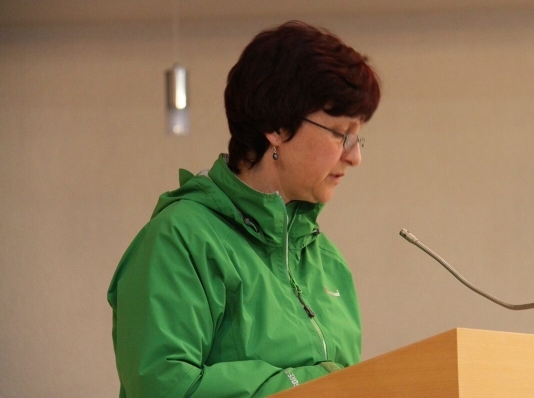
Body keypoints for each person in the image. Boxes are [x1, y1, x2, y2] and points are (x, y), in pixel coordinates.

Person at [107, 20, 381, 398]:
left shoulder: (328, 262)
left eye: (358, 138)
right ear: (277, 127)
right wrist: (311, 383)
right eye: (341, 134)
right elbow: (164, 388)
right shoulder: (179, 240)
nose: (355, 156)